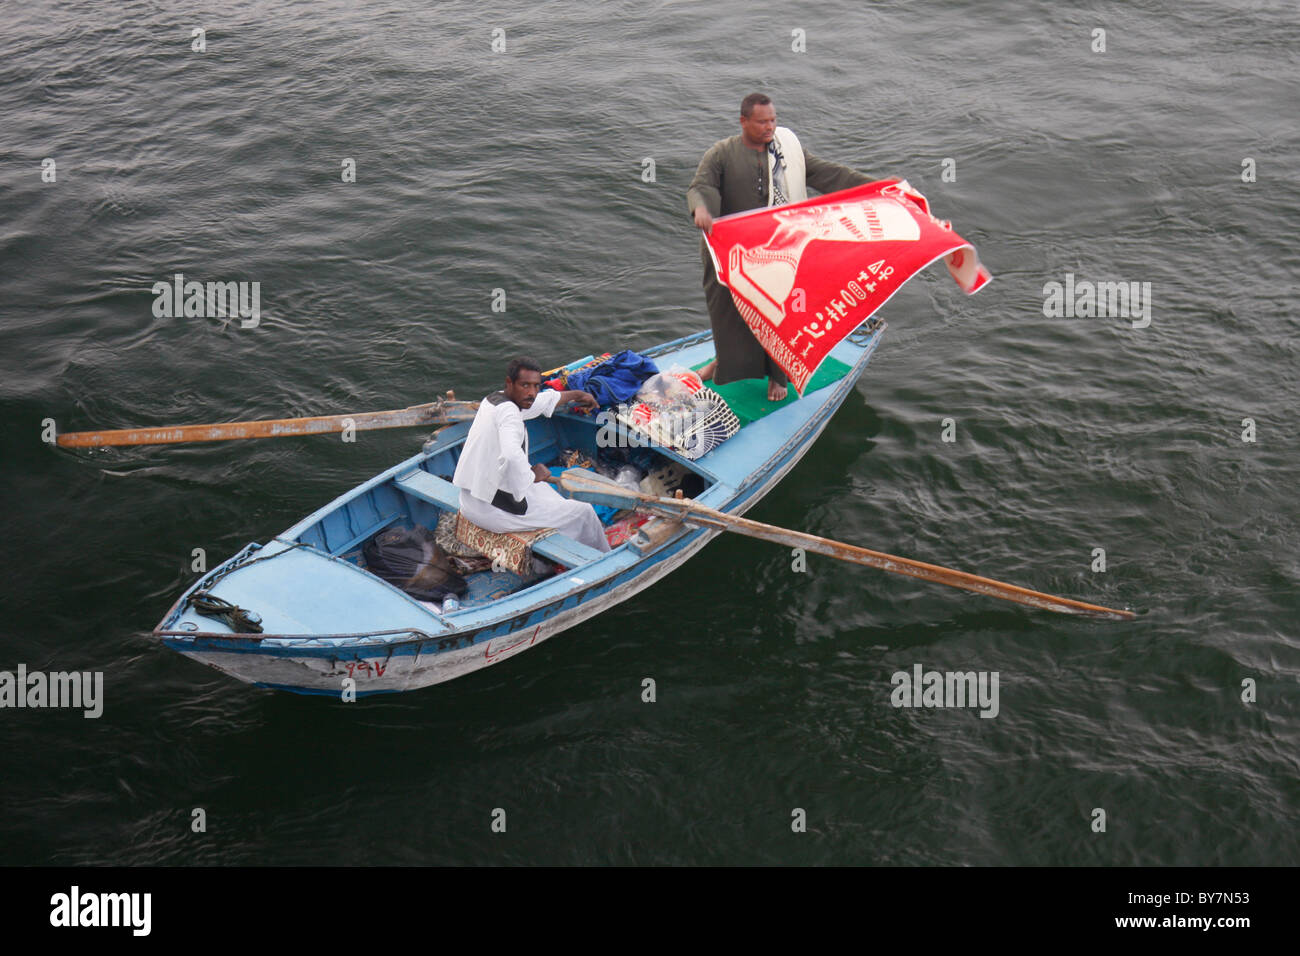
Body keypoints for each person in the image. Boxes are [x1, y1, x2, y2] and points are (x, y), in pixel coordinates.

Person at [686, 92, 874, 401]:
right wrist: (701, 209)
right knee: (726, 312)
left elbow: (828, 174)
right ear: (743, 121)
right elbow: (701, 186)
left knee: (778, 312)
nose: (769, 127)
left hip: (778, 250)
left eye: (773, 120)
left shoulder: (788, 151)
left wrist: (873, 186)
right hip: (730, 251)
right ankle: (724, 362)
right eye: (761, 122)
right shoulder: (721, 154)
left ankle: (778, 375)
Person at [452, 357, 611, 554]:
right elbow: (511, 456)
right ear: (509, 383)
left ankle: (560, 532)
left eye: (536, 386)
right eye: (525, 385)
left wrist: (576, 394)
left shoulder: (493, 401)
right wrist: (531, 475)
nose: (531, 393)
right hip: (493, 513)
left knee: (544, 491)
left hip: (470, 501)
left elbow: (539, 402)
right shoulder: (511, 417)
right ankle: (601, 557)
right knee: (584, 512)